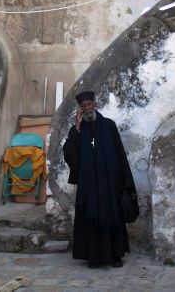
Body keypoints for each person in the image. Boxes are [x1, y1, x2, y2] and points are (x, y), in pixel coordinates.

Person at [62, 90, 137, 268]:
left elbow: (119, 154)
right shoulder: (78, 130)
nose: (87, 109)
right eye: (83, 107)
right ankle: (94, 257)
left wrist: (125, 182)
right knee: (92, 219)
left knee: (113, 217)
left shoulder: (109, 126)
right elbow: (70, 154)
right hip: (89, 186)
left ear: (95, 104)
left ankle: (116, 255)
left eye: (89, 105)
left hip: (111, 184)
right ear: (80, 110)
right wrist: (78, 129)